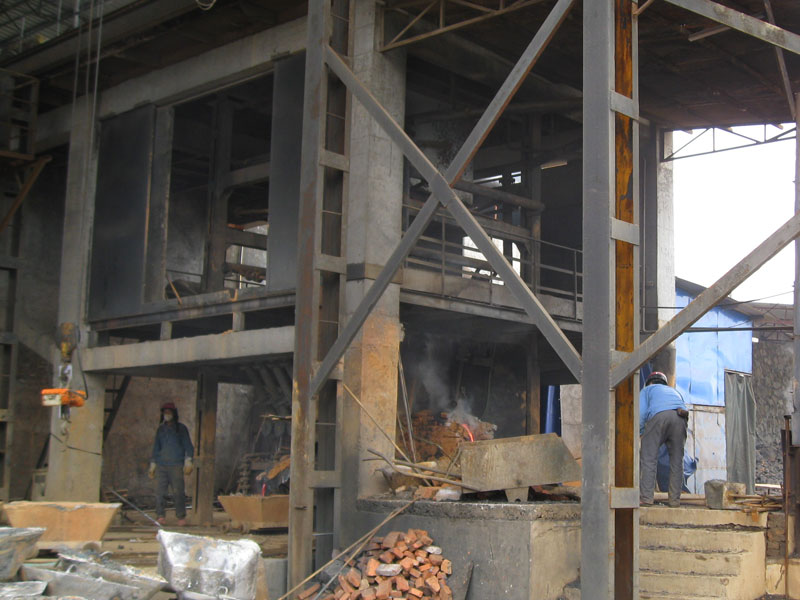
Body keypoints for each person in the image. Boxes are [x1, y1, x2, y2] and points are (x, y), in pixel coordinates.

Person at [639, 371, 688, 507]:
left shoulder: (648, 390)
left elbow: (641, 413)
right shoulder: (674, 391)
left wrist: (640, 431)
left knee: (649, 458)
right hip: (681, 417)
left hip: (659, 415)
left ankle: (646, 498)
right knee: (677, 461)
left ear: (650, 382)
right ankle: (674, 501)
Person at [149, 401, 194, 525]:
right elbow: (156, 447)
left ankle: (181, 517)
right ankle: (160, 516)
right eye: (165, 412)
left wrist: (189, 459)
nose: (167, 414)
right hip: (161, 465)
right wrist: (153, 463)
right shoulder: (161, 430)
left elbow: (188, 446)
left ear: (174, 414)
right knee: (160, 492)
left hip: (176, 465)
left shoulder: (181, 429)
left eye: (169, 412)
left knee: (178, 492)